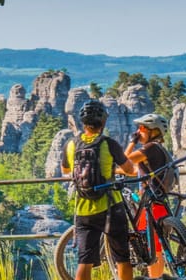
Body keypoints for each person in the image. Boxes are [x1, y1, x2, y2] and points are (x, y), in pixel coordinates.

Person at [60, 100, 137, 280]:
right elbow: (129, 170)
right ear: (103, 122)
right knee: (122, 258)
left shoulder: (71, 145)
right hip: (111, 207)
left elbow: (65, 171)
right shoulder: (109, 144)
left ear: (83, 123)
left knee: (84, 261)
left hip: (83, 209)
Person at [124, 113, 173, 278]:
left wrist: (132, 141)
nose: (138, 132)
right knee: (154, 247)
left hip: (153, 204)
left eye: (141, 128)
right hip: (156, 201)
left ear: (152, 131)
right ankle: (155, 277)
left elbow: (126, 159)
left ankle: (156, 278)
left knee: (155, 249)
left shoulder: (151, 148)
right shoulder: (156, 149)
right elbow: (132, 170)